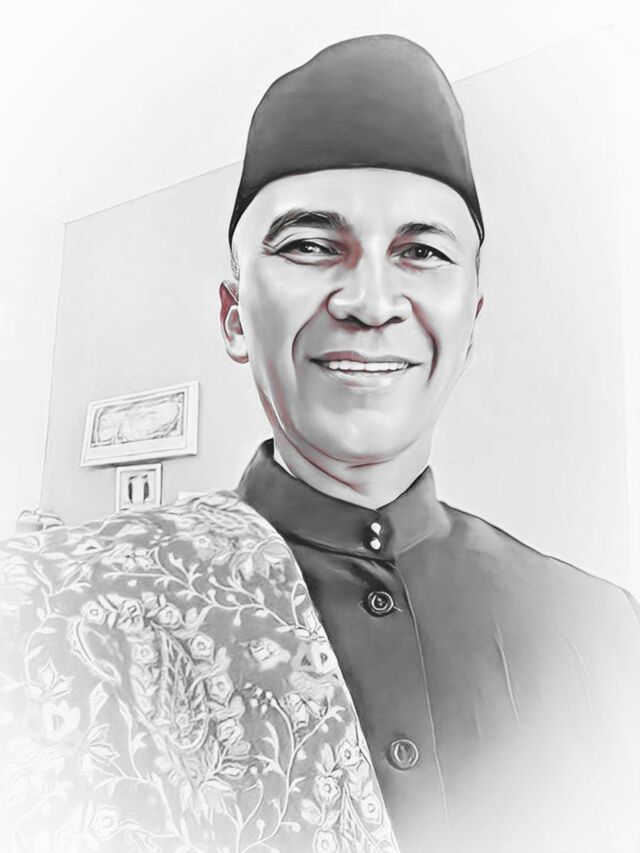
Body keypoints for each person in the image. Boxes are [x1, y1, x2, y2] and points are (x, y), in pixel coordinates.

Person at [1, 35, 638, 853]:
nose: (371, 300)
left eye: (421, 251)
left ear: (470, 322)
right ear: (235, 315)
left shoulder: (605, 631)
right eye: (309, 244)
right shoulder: (57, 615)